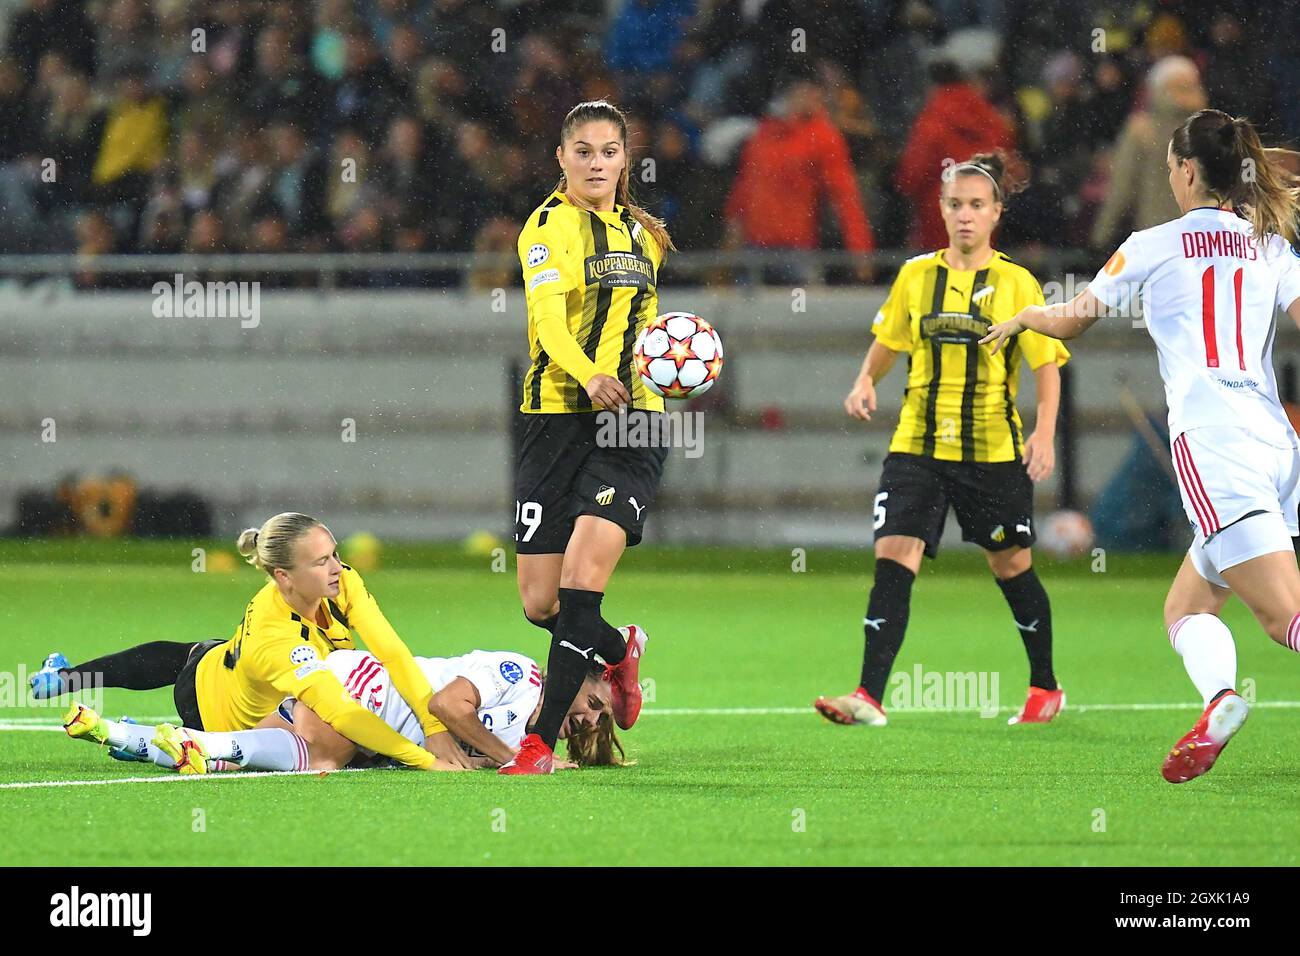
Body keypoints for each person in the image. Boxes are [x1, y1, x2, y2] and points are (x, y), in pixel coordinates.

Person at [981, 110, 1300, 783]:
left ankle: (1222, 698)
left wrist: (1027, 315)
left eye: (1169, 168)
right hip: (1276, 443)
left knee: (1283, 617)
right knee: (1185, 608)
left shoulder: (1152, 244)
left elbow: (1071, 322)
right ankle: (1220, 701)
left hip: (1214, 443)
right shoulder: (1271, 245)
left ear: (1187, 170)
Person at [815, 152, 1070, 728]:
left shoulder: (1015, 282)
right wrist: (864, 379)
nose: (965, 216)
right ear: (941, 209)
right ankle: (869, 696)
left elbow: (1047, 363)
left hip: (991, 452)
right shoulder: (915, 275)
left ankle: (1044, 686)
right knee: (893, 556)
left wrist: (1045, 433)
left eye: (977, 206)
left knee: (1011, 566)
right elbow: (890, 337)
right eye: (955, 205)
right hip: (917, 447)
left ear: (996, 213)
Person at [31, 512, 464, 771]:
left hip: (228, 667)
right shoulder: (275, 637)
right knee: (340, 744)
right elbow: (342, 712)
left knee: (194, 652)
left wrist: (435, 726)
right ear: (284, 577)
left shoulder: (341, 583)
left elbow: (390, 650)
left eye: (334, 553)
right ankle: (155, 737)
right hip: (211, 711)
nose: (337, 567)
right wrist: (424, 759)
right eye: (321, 561)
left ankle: (67, 678)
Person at [506, 99, 670, 774]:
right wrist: (590, 373)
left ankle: (538, 744)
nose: (596, 163)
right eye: (583, 152)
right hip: (555, 417)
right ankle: (619, 648)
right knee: (540, 603)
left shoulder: (643, 234)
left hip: (630, 421)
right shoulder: (547, 228)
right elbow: (547, 327)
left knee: (578, 586)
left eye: (608, 152)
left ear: (625, 159)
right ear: (562, 159)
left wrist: (666, 372)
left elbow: (648, 326)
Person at [62, 646, 625, 773]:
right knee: (322, 759)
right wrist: (513, 758)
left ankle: (136, 738)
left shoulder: (535, 717)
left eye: (599, 721)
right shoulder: (520, 675)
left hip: (368, 729)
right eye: (595, 703)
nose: (590, 719)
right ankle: (85, 690)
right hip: (361, 688)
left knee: (289, 762)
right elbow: (447, 705)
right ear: (584, 672)